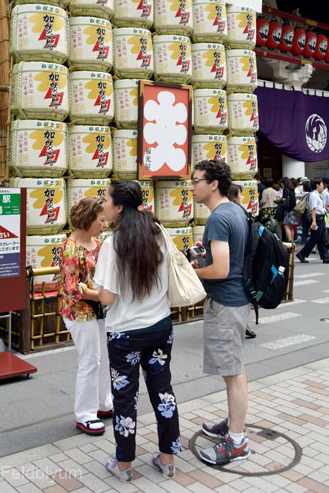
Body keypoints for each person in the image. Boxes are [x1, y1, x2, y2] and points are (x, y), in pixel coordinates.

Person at [95, 181, 180, 482]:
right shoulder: (159, 234)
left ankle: (124, 465)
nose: (101, 204)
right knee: (162, 391)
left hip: (124, 335)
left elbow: (107, 298)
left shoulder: (112, 243)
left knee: (124, 398)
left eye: (105, 199)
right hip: (160, 328)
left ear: (119, 207)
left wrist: (89, 292)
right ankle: (168, 460)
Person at [191, 159, 250, 466]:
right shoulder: (236, 210)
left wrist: (192, 271)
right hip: (237, 301)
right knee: (234, 370)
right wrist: (207, 255)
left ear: (213, 184)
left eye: (196, 180)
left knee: (233, 374)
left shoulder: (218, 218)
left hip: (226, 303)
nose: (192, 187)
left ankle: (237, 442)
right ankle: (233, 425)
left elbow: (221, 269)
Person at [57, 197, 112, 437]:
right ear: (88, 219)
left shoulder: (97, 243)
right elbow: (72, 288)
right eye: (101, 220)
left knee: (104, 358)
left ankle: (104, 403)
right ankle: (85, 414)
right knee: (90, 360)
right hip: (79, 312)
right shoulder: (70, 247)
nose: (105, 224)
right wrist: (101, 296)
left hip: (98, 309)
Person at [227, 184, 256, 340]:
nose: (241, 198)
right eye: (239, 195)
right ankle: (242, 326)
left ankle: (242, 325)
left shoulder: (235, 213)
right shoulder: (238, 214)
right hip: (242, 264)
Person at [296, 179, 329, 265]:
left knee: (322, 239)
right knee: (314, 238)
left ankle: (326, 257)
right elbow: (313, 208)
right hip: (317, 219)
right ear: (317, 185)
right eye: (322, 184)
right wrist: (314, 221)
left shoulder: (317, 195)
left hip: (320, 218)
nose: (323, 186)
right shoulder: (314, 195)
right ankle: (301, 254)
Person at [277, 177, 297, 243]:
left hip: (287, 210)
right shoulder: (292, 190)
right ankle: (292, 242)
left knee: (286, 226)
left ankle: (289, 241)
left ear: (284, 183)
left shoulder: (286, 190)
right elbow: (293, 201)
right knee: (291, 227)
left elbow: (285, 200)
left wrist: (281, 200)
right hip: (293, 210)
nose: (281, 186)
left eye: (281, 184)